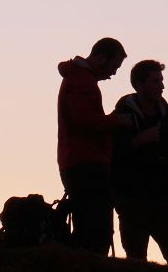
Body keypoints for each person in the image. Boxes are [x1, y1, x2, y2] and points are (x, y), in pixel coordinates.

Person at [111, 59, 168, 270]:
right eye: (155, 81)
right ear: (138, 84)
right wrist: (139, 141)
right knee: (136, 259)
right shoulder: (121, 116)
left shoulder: (166, 114)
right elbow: (111, 153)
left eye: (161, 81)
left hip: (162, 193)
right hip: (131, 195)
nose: (162, 86)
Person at [56, 37, 131, 254]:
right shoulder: (81, 81)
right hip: (85, 161)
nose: (114, 72)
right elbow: (84, 120)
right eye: (114, 65)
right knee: (96, 227)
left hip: (79, 159)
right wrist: (118, 121)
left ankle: (82, 270)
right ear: (101, 58)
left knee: (89, 224)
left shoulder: (79, 79)